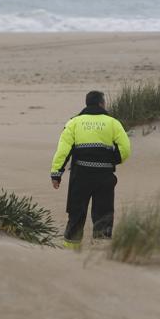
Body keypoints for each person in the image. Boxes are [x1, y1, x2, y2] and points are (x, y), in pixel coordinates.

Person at [50, 91, 131, 249]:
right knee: (104, 214)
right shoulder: (113, 123)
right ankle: (101, 252)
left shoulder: (74, 122)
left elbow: (63, 151)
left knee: (76, 213)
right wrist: (111, 160)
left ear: (87, 103)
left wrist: (56, 174)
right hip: (104, 177)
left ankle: (70, 251)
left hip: (80, 176)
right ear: (102, 103)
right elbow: (125, 150)